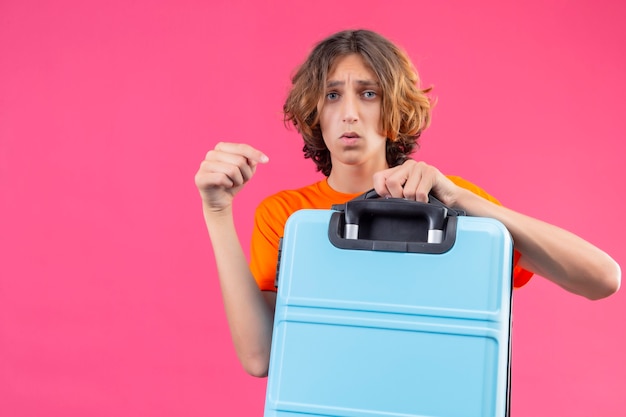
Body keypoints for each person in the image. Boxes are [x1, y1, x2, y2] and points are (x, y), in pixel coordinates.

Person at [194, 29, 621, 377]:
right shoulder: (288, 216)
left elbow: (601, 279)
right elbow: (261, 358)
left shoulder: (454, 207)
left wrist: (456, 196)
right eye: (331, 95)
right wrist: (217, 212)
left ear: (394, 107)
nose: (349, 114)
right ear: (313, 112)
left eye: (368, 94)